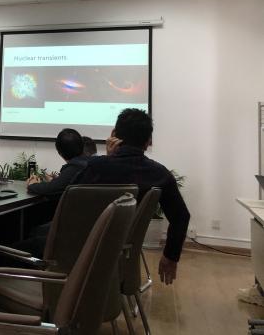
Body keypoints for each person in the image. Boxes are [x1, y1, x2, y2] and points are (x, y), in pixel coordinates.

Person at [74, 108, 190, 285]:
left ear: (114, 135)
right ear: (148, 142)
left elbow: (69, 196)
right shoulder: (160, 174)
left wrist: (108, 158)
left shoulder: (96, 167)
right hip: (126, 245)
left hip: (86, 243)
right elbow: (181, 216)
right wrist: (171, 256)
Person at [19, 128, 89, 256]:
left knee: (33, 233)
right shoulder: (87, 163)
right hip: (84, 231)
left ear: (59, 152)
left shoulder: (75, 167)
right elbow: (61, 185)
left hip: (69, 232)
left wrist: (33, 185)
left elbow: (50, 189)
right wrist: (56, 181)